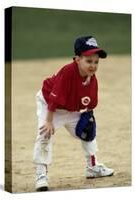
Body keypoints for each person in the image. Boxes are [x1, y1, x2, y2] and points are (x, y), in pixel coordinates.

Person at [33, 36, 114, 191]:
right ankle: (41, 174)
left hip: (70, 108)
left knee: (88, 131)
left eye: (96, 62)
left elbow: (89, 103)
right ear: (77, 59)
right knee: (44, 134)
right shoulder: (68, 72)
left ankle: (92, 167)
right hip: (50, 105)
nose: (93, 65)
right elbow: (53, 99)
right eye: (88, 61)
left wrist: (88, 118)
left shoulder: (92, 79)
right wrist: (49, 121)